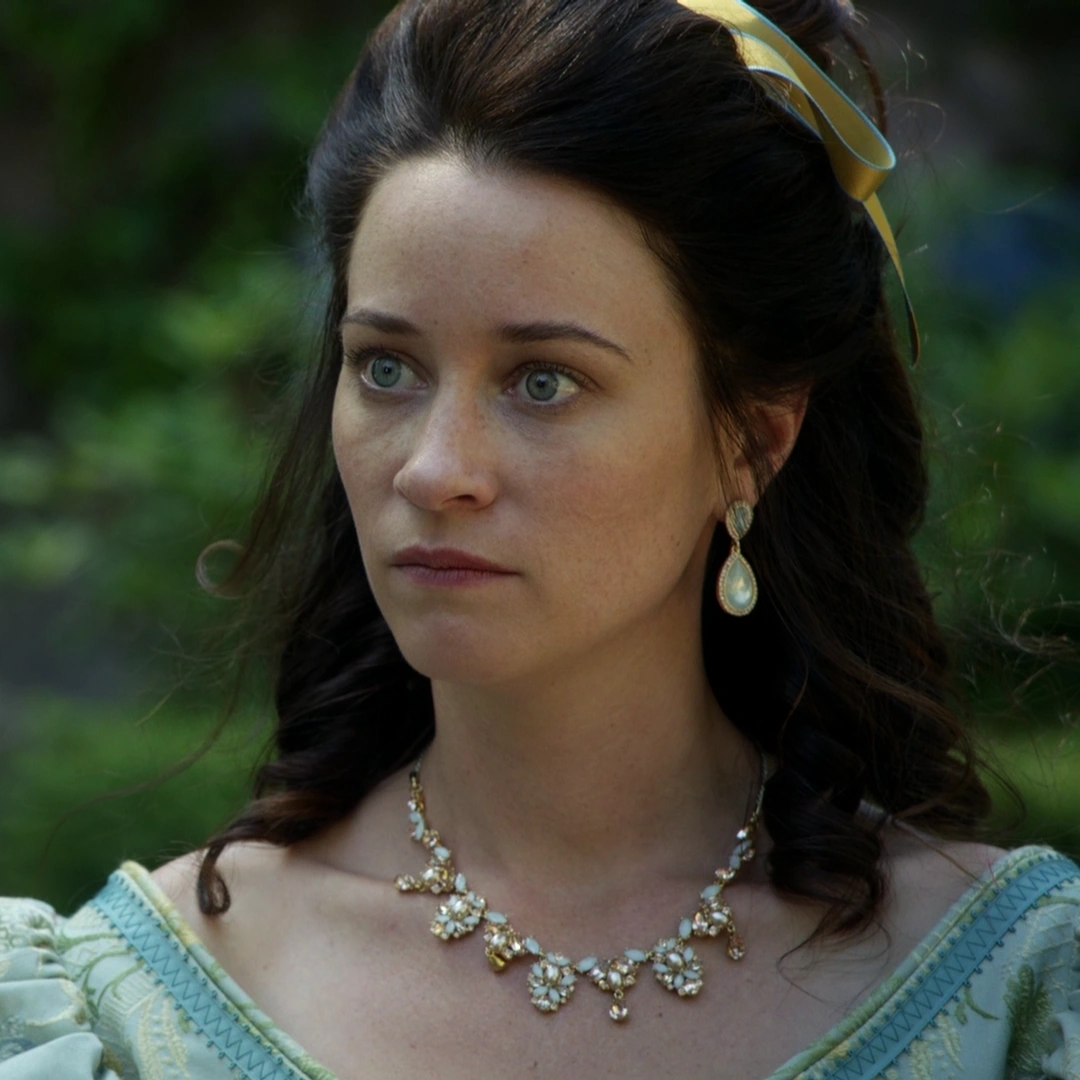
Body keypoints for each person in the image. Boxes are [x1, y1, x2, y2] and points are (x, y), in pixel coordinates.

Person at [2, 0, 1079, 1076]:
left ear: (751, 443)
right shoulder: (123, 1017)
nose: (434, 469)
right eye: (387, 367)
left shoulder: (1012, 988)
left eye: (545, 382)